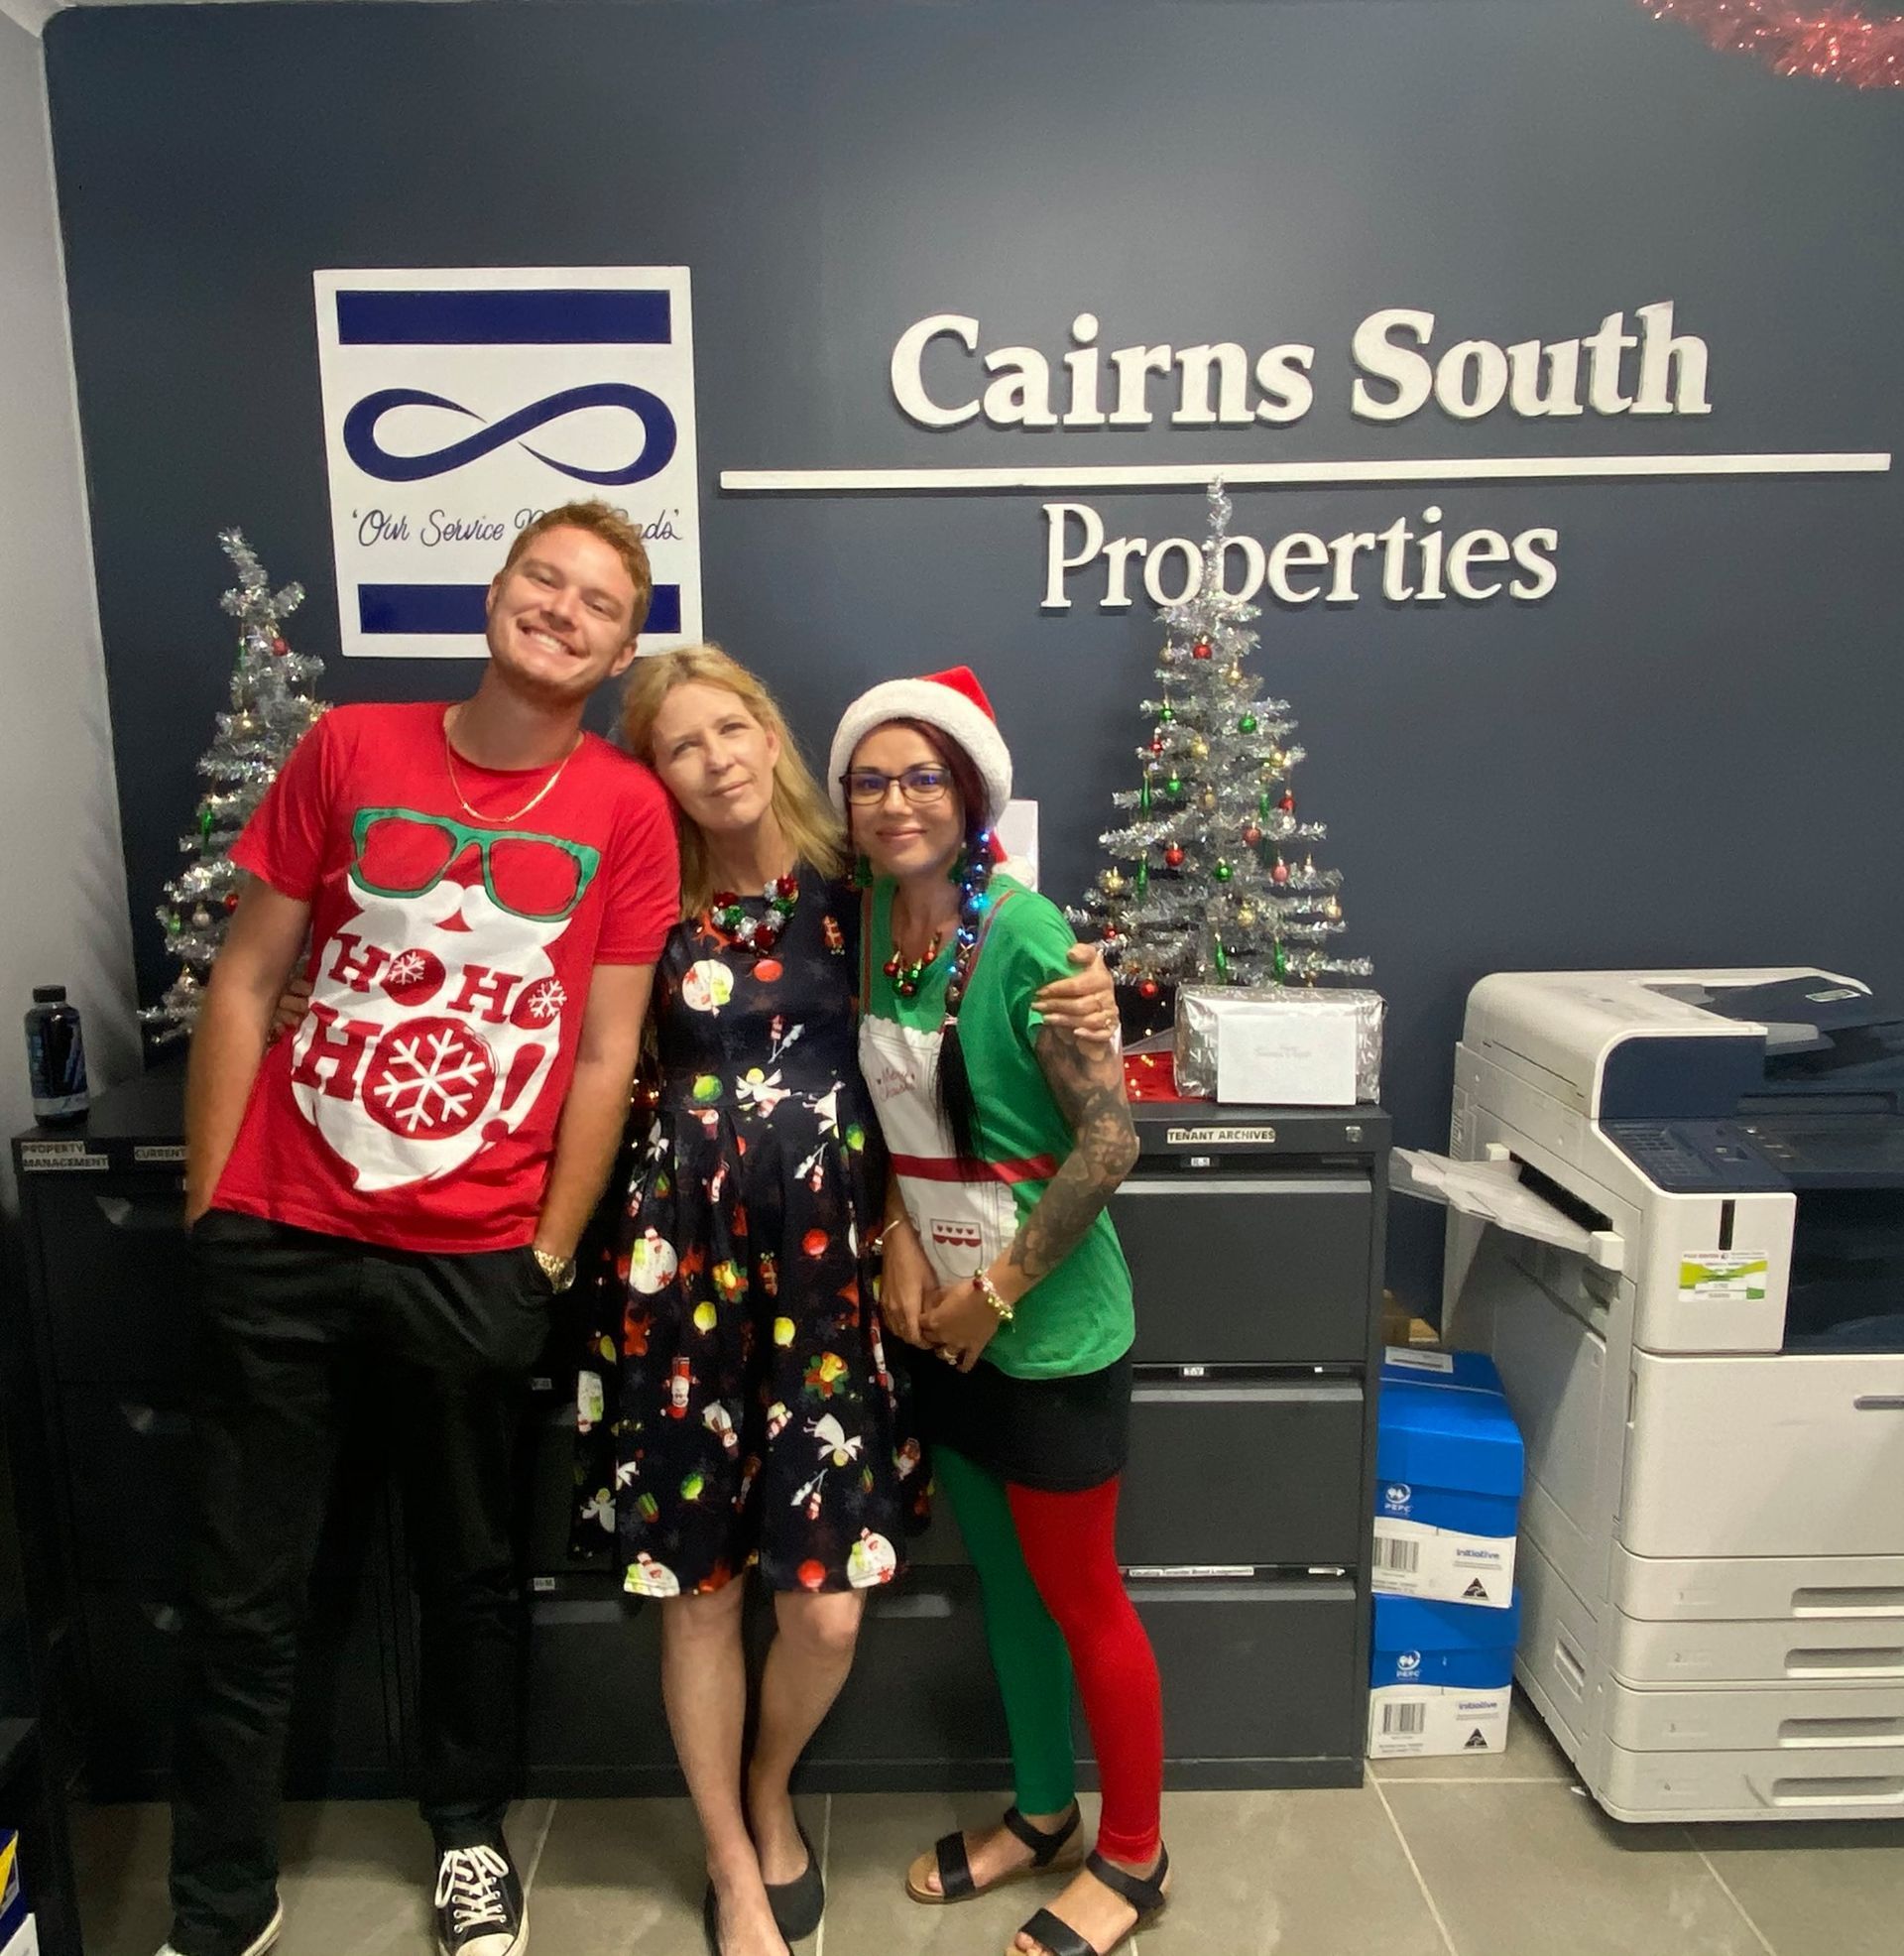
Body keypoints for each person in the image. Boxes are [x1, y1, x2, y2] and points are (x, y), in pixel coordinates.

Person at [169, 501, 678, 1956]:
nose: (563, 611)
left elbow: (602, 1053)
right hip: (284, 1230)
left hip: (475, 1257)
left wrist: (546, 1253)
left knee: (465, 1573)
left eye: (599, 604)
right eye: (544, 579)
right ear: (495, 591)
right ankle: (218, 1900)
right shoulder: (349, 748)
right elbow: (246, 982)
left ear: (619, 651)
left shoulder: (624, 809)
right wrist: (214, 1205)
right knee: (240, 1588)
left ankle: (468, 1839)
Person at [570, 646, 1118, 1956]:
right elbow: (563, 1039)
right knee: (700, 1593)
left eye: (732, 727)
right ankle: (732, 1860)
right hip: (679, 1282)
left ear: (771, 734)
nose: (716, 759)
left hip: (828, 1286)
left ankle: (770, 1789)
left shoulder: (857, 895)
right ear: (658, 777)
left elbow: (975, 957)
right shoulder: (641, 902)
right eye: (681, 745)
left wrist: (1087, 988)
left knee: (822, 1604)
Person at [831, 667, 1169, 1956]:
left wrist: (1000, 1292)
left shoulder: (1025, 934)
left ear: (971, 793)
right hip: (937, 1323)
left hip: (1049, 1327)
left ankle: (1133, 1858)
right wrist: (894, 1244)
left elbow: (1110, 1145)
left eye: (925, 776)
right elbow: (883, 1116)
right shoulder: (865, 921)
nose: (897, 800)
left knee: (1084, 1597)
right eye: (873, 778)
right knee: (1009, 1594)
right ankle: (1040, 1816)